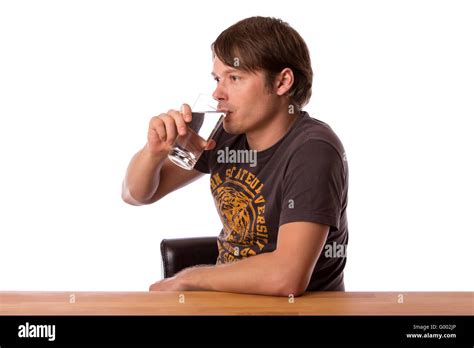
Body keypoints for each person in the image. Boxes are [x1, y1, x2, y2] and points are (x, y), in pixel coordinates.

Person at [122, 16, 349, 296]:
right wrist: (154, 152)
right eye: (218, 79)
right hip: (230, 302)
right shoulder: (226, 135)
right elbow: (136, 194)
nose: (218, 93)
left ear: (282, 82)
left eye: (234, 78)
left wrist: (190, 278)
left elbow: (286, 276)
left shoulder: (314, 150)